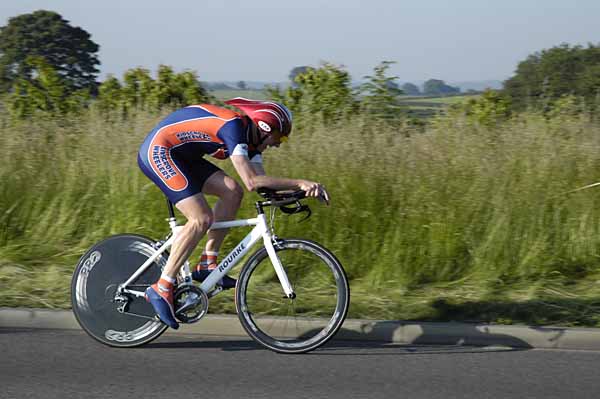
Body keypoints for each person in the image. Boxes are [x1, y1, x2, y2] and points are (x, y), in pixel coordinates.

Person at [137, 98, 330, 329]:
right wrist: (300, 183)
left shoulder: (252, 142)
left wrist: (298, 193)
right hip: (160, 151)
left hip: (184, 157)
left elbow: (262, 186)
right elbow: (252, 181)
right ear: (265, 128)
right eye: (280, 137)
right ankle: (162, 287)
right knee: (201, 218)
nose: (279, 144)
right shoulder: (234, 128)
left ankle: (207, 264)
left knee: (232, 192)